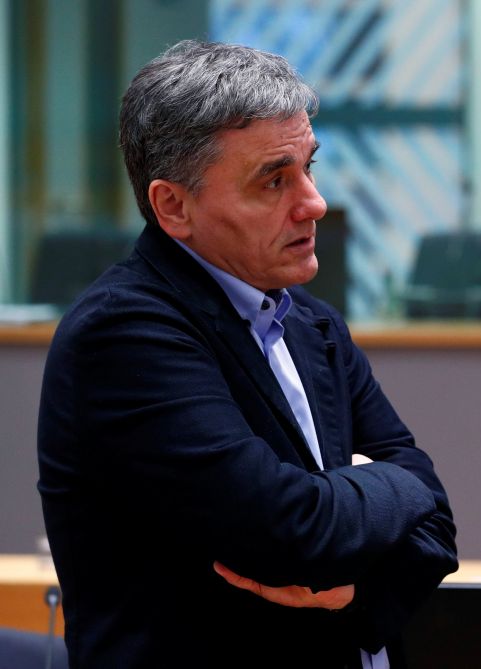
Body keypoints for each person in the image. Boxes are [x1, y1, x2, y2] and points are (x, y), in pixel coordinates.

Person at [37, 40, 457, 668]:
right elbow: (289, 533)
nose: (313, 203)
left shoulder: (312, 323)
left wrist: (354, 591)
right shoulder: (125, 334)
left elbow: (438, 529)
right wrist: (399, 483)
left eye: (309, 168)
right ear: (173, 206)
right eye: (274, 180)